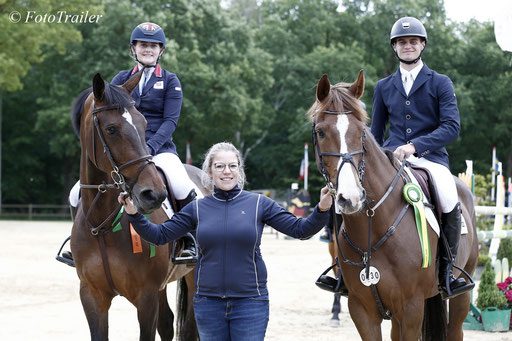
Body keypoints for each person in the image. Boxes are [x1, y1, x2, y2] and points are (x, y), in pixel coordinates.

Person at [118, 142, 332, 340]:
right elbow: (159, 235)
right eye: (219, 166)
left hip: (251, 303)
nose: (226, 171)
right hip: (208, 304)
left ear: (239, 170)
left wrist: (321, 208)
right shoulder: (197, 208)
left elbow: (300, 230)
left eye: (232, 166)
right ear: (209, 172)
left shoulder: (260, 204)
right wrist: (134, 214)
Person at [61, 22, 199, 264]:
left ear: (161, 51)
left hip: (159, 149)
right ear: (132, 49)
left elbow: (170, 121)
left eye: (153, 46)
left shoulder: (170, 81)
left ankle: (188, 239)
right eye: (143, 45)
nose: (148, 49)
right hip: (124, 152)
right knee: (76, 193)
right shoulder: (121, 79)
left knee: (183, 186)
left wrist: (152, 147)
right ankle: (79, 241)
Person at [370, 16, 473, 299]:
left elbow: (451, 127)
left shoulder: (440, 82)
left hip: (430, 159)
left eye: (413, 41)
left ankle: (447, 272)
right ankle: (345, 271)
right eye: (402, 42)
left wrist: (415, 146)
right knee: (354, 194)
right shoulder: (383, 86)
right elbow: (376, 132)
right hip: (391, 159)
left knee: (449, 195)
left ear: (422, 44)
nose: (407, 46)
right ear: (394, 47)